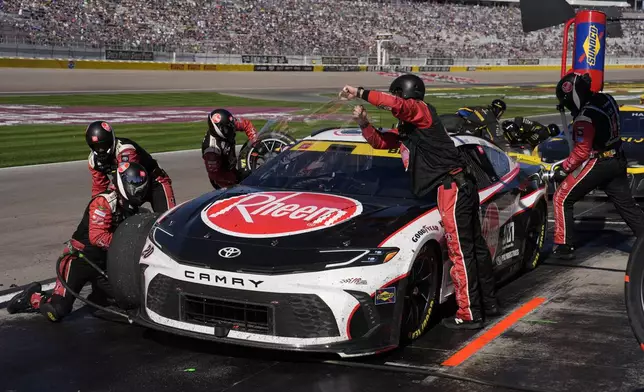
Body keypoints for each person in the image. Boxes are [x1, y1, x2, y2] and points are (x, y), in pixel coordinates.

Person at [339, 74, 498, 329]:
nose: (395, 106)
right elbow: (381, 142)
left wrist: (360, 92)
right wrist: (364, 123)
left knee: (461, 251)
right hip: (460, 186)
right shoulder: (412, 128)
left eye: (397, 95)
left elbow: (399, 106)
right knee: (474, 249)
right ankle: (488, 303)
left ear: (404, 93)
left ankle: (469, 313)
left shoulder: (421, 111)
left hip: (453, 188)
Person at [7, 162, 151, 322]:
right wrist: (125, 245)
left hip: (103, 264)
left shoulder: (135, 210)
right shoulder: (103, 203)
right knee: (57, 311)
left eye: (140, 183)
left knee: (126, 300)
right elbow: (97, 238)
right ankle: (32, 297)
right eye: (135, 183)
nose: (138, 188)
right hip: (79, 260)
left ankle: (98, 297)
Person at [550, 72, 644, 259]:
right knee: (627, 206)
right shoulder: (607, 98)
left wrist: (564, 168)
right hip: (618, 158)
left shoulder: (585, 117)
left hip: (600, 162)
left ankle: (563, 246)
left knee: (561, 197)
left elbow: (581, 152)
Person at [86, 120, 175, 212]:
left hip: (154, 182)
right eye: (96, 146)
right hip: (131, 189)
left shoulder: (126, 150)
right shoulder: (93, 161)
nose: (101, 149)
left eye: (104, 145)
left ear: (111, 140)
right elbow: (98, 186)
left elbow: (126, 177)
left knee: (168, 218)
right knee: (113, 212)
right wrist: (98, 204)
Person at [202, 109, 258, 189]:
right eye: (228, 127)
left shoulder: (227, 124)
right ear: (219, 129)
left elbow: (246, 124)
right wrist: (236, 179)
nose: (232, 128)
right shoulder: (211, 151)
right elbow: (216, 175)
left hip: (230, 163)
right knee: (245, 184)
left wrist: (255, 140)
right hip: (222, 178)